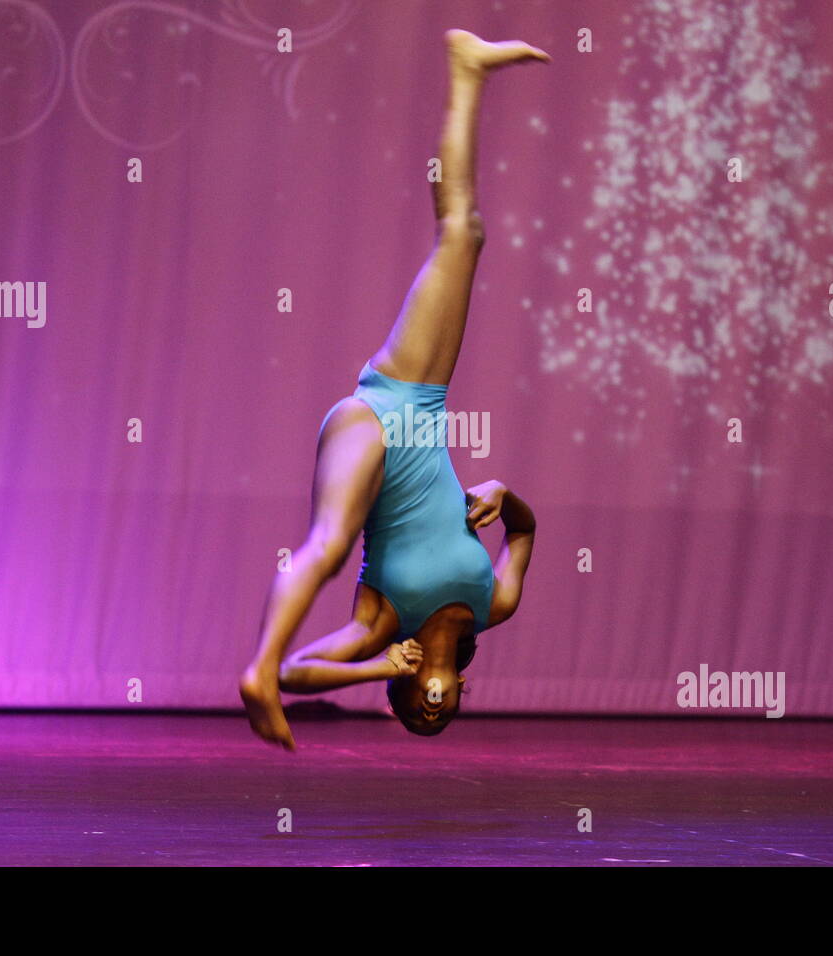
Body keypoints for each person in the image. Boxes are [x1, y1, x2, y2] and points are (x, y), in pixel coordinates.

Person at [239, 29, 546, 750]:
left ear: (402, 695)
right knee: (464, 233)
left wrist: (375, 663)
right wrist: (504, 494)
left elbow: (303, 671)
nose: (432, 712)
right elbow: (528, 530)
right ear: (462, 690)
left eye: (417, 715)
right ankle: (467, 72)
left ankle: (251, 669)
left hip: (372, 413)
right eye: (442, 716)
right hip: (420, 405)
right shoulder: (492, 602)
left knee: (333, 542)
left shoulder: (384, 625)